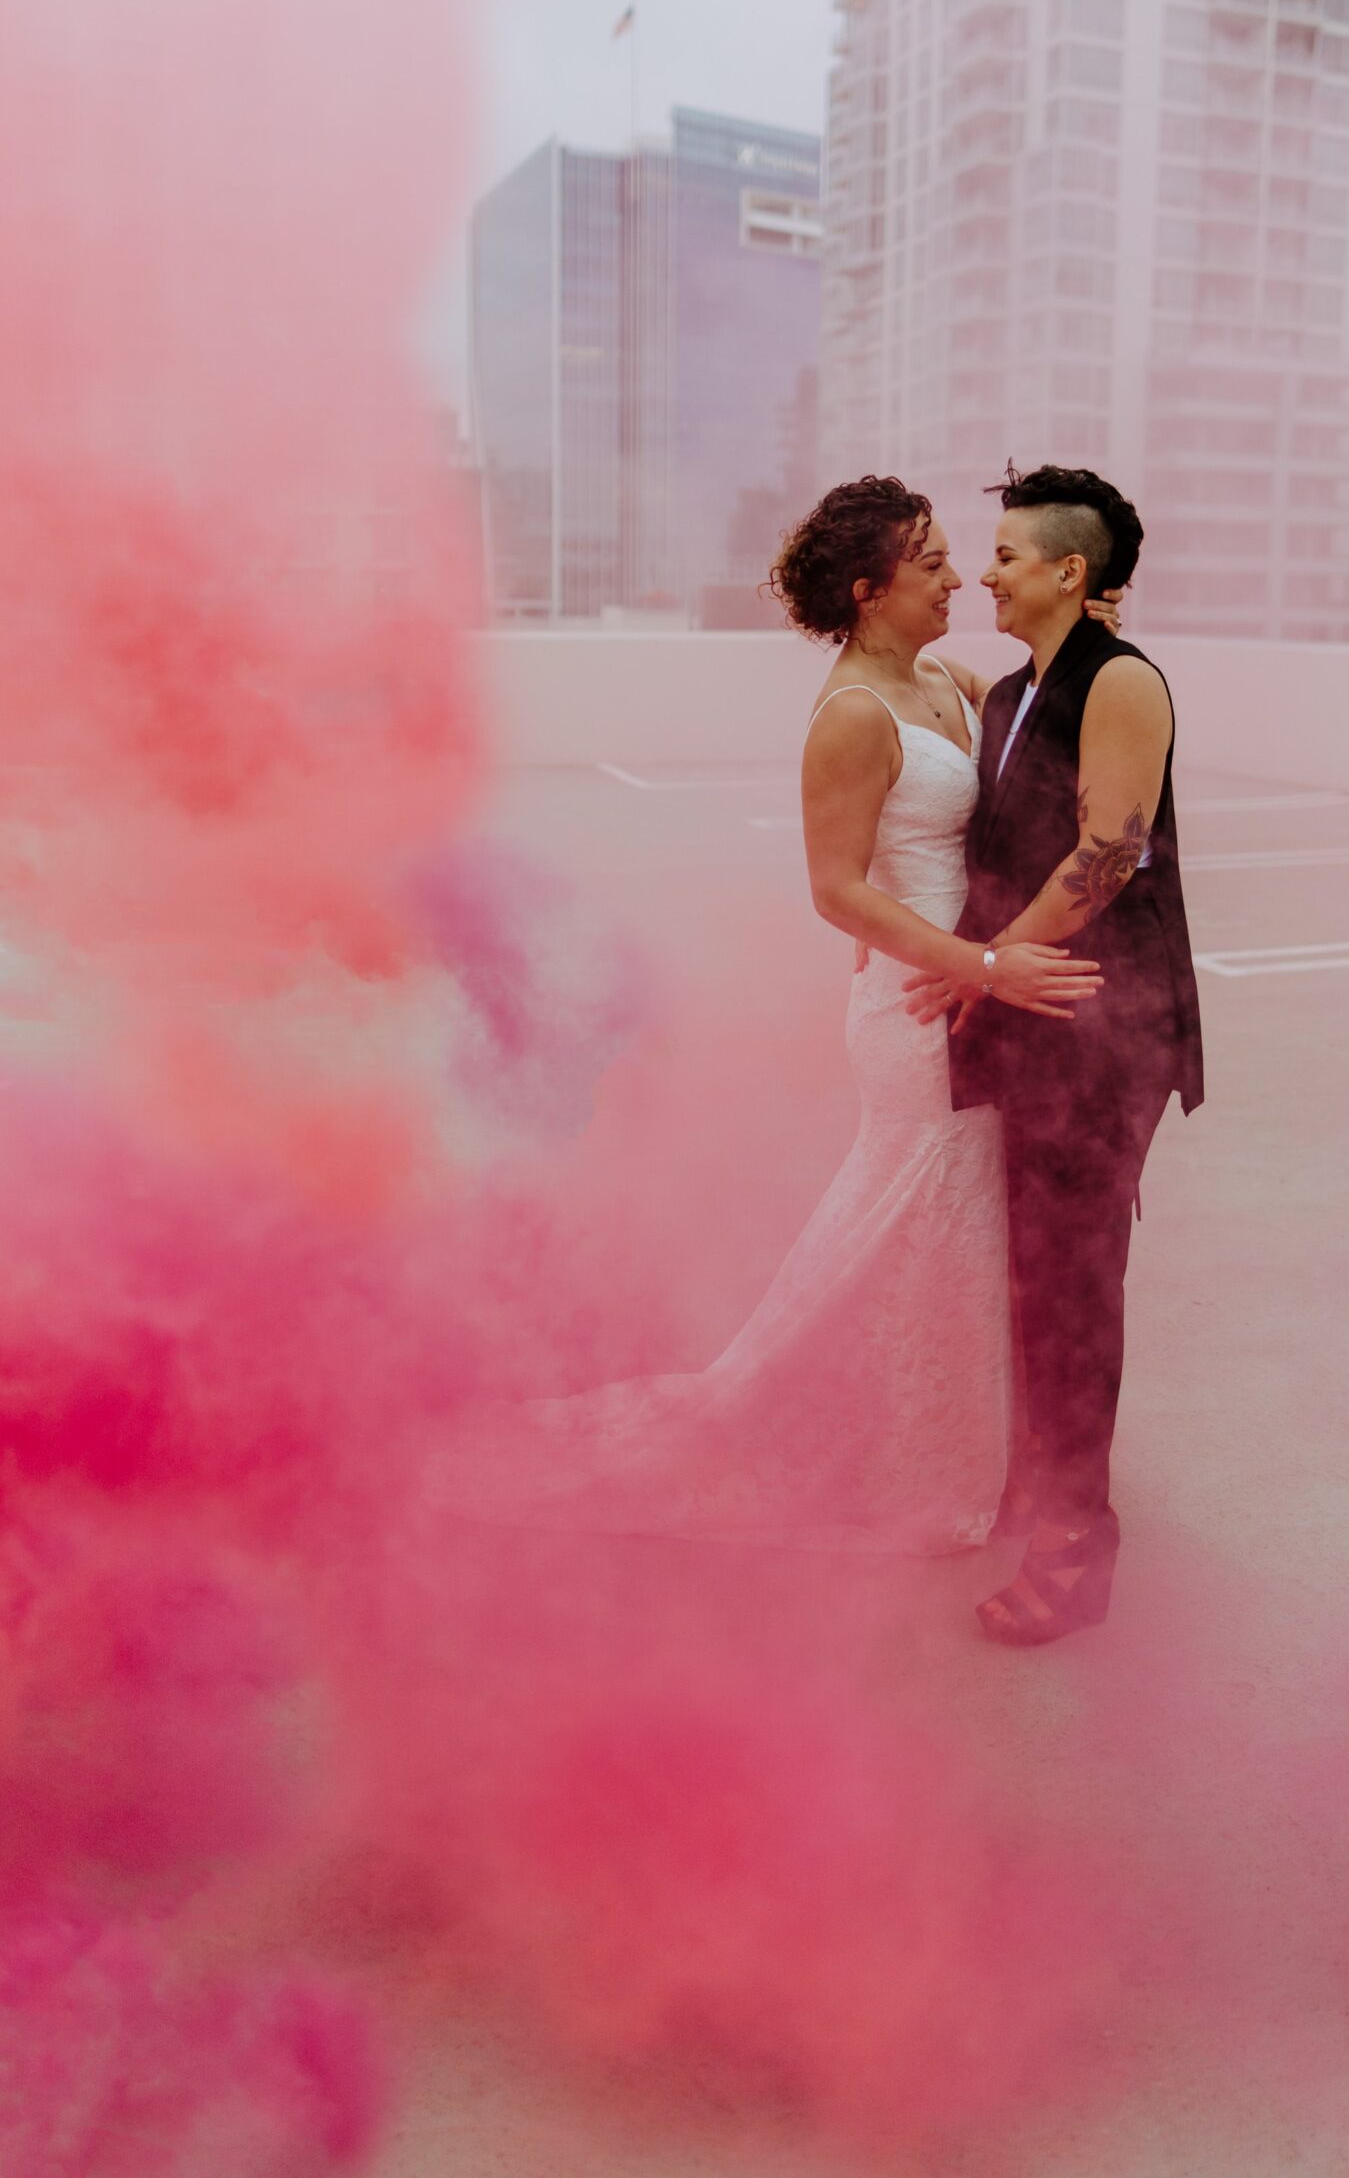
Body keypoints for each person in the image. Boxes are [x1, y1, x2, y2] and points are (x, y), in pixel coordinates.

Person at [425, 477, 1102, 1552]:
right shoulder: (848, 716)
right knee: (915, 1210)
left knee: (944, 1230)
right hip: (918, 1000)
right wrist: (975, 962)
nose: (950, 576)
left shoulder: (948, 680)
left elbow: (1035, 730)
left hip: (966, 984)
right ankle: (862, 1440)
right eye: (926, 561)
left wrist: (1085, 626)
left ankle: (950, 1438)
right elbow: (837, 889)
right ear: (870, 588)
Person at [905, 465, 1204, 1647]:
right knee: (1035, 1276)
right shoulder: (1017, 688)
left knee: (1074, 1286)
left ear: (1069, 572)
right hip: (1037, 1023)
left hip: (1102, 1028)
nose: (988, 571)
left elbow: (1106, 857)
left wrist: (983, 965)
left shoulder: (1123, 681)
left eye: (1009, 556)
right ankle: (1041, 1480)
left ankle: (1080, 1545)